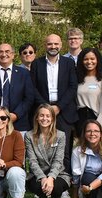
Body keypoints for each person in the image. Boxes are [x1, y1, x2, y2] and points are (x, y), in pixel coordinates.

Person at [31, 34, 78, 173]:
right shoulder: (37, 64)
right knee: (42, 147)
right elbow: (32, 88)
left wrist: (58, 107)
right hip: (43, 110)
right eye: (50, 44)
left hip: (63, 111)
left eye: (56, 44)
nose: (53, 47)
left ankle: (63, 179)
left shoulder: (69, 63)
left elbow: (72, 87)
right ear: (45, 45)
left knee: (64, 149)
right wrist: (46, 108)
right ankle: (42, 178)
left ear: (61, 45)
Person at [0, 43, 40, 138]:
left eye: (7, 51)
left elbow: (29, 98)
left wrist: (15, 115)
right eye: (0, 52)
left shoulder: (24, 73)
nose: (4, 54)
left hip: (18, 122)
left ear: (13, 55)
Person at [24, 105, 71, 198]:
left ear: (53, 119)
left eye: (48, 116)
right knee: (37, 186)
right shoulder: (29, 136)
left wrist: (50, 178)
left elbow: (58, 160)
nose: (44, 118)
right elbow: (32, 161)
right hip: (37, 174)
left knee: (57, 186)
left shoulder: (61, 135)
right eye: (41, 115)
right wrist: (43, 178)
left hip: (58, 173)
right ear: (37, 118)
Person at [75, 48, 102, 127]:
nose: (89, 62)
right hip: (79, 120)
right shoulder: (76, 79)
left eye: (92, 59)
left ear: (98, 60)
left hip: (96, 119)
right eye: (86, 59)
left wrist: (98, 125)